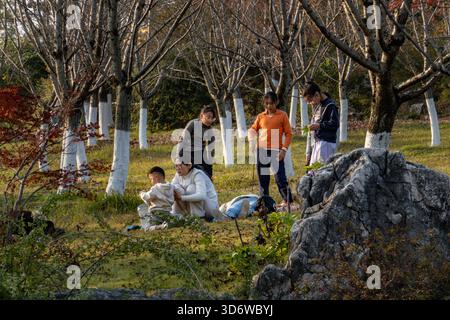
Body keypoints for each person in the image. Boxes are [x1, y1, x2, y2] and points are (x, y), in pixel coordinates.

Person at [249, 91, 294, 209]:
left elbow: (289, 134)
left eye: (271, 103)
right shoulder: (260, 116)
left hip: (276, 151)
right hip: (262, 150)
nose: (269, 106)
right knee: (263, 179)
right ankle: (265, 202)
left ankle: (288, 201)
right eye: (267, 104)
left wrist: (283, 150)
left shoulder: (282, 115)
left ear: (276, 102)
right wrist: (252, 140)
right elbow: (253, 129)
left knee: (280, 177)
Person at [303, 81, 340, 166]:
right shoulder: (319, 105)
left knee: (321, 171)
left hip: (326, 144)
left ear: (316, 94)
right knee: (313, 172)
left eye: (310, 100)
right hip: (319, 143)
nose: (310, 103)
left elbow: (335, 124)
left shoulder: (330, 106)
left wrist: (318, 125)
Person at [135, 166, 181, 232]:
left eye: (151, 179)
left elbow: (147, 197)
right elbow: (179, 193)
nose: (151, 182)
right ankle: (167, 222)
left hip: (156, 212)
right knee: (174, 217)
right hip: (167, 212)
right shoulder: (171, 186)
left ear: (156, 177)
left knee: (147, 228)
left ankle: (160, 227)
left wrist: (142, 193)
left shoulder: (156, 188)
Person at [179, 105, 217, 180]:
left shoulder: (210, 130)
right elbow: (183, 138)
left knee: (208, 168)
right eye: (208, 117)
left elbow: (211, 146)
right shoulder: (193, 124)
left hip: (200, 152)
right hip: (188, 151)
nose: (210, 120)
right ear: (202, 115)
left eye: (212, 118)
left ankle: (208, 184)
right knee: (197, 169)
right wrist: (179, 155)